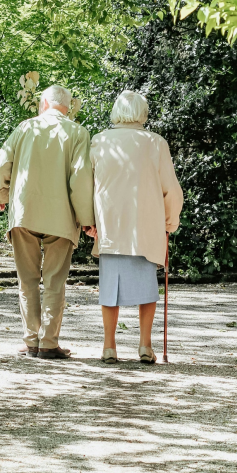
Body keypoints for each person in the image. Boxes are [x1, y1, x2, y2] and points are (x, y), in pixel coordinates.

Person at [0, 84, 94, 359]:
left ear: (44, 103)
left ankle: (31, 341)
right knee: (54, 282)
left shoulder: (24, 128)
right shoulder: (78, 133)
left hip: (25, 213)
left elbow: (2, 164)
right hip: (61, 217)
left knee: (27, 280)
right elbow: (81, 179)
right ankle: (48, 343)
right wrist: (86, 219)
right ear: (67, 107)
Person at [85, 90, 183, 364]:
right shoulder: (155, 143)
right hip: (146, 226)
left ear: (116, 112)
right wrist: (169, 222)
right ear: (143, 113)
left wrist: (88, 221)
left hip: (111, 225)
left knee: (109, 289)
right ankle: (145, 346)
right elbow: (171, 189)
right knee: (147, 288)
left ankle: (109, 347)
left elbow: (87, 185)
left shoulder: (100, 141)